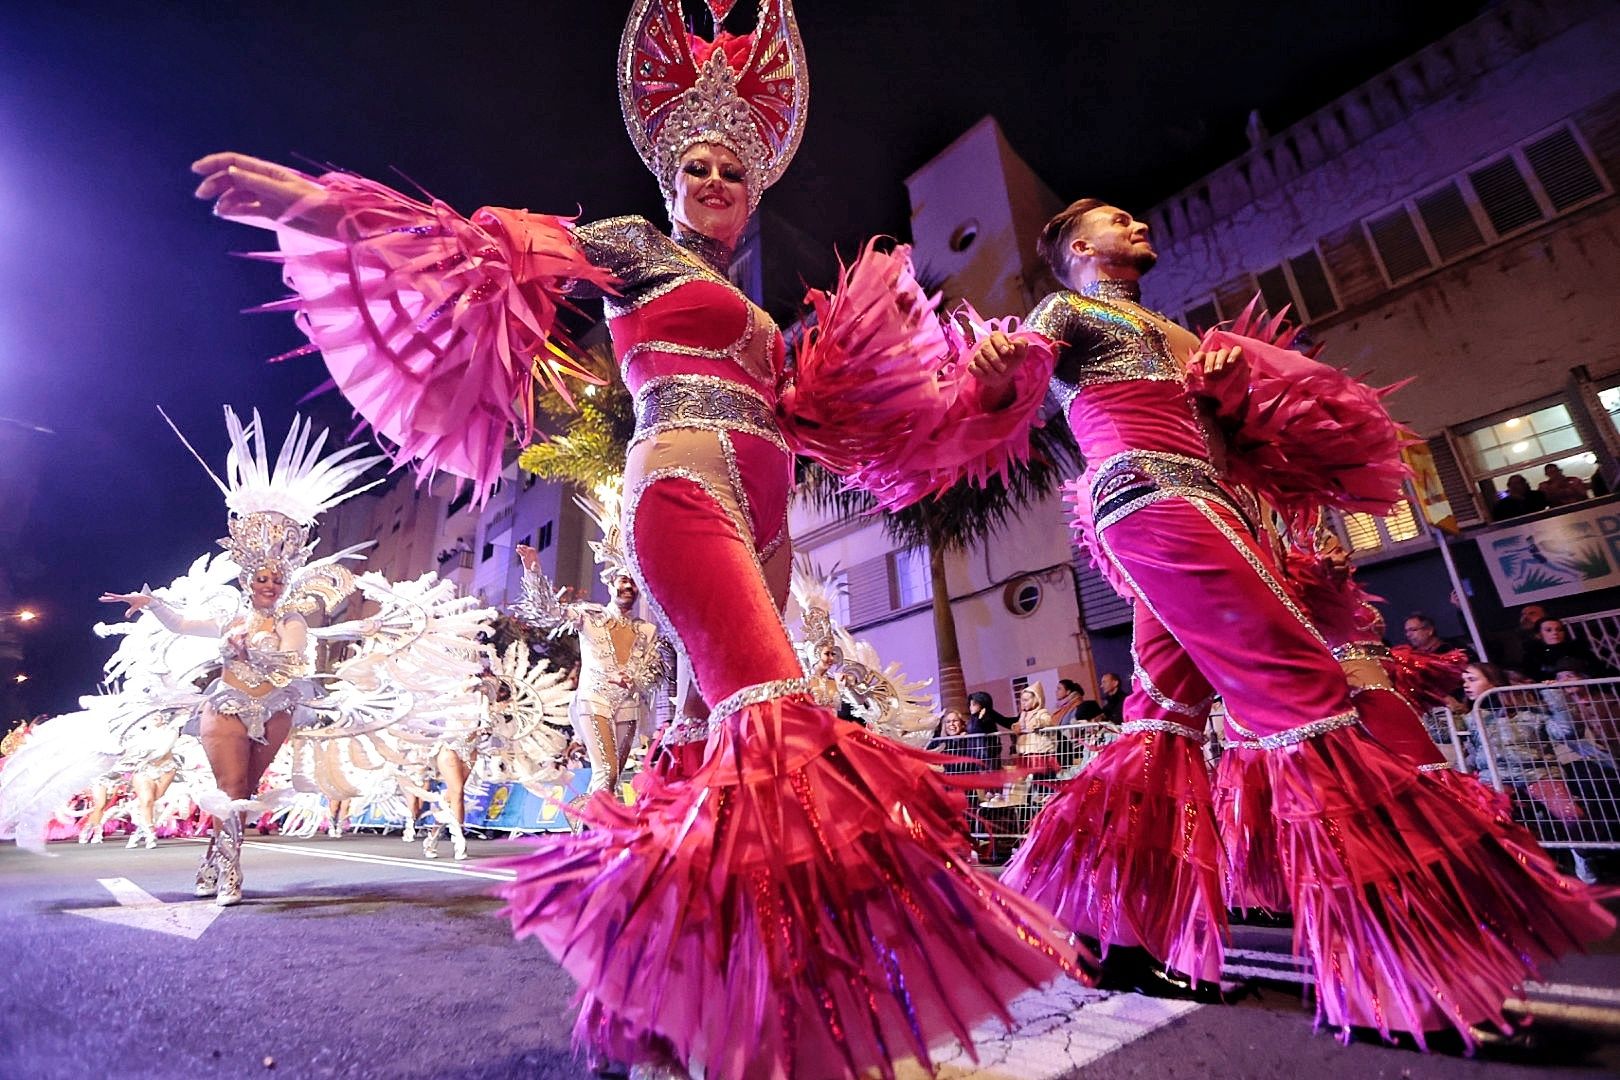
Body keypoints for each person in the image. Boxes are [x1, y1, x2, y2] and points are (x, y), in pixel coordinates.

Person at [190, 3, 1078, 1073]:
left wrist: (973, 386)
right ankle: (792, 1016)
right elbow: (486, 244)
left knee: (720, 751)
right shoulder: (634, 248)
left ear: (755, 194)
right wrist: (320, 209)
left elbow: (855, 422)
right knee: (778, 720)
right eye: (696, 166)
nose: (713, 183)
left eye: (731, 173)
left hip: (769, 520)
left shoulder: (757, 314)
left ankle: (678, 1000)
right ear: (668, 179)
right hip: (684, 493)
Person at [973, 197, 1613, 1045]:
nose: (1135, 225)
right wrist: (998, 360)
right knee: (1302, 697)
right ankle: (1405, 984)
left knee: (1160, 720)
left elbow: (1243, 446)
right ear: (1077, 248)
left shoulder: (1180, 336)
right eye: (1116, 220)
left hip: (1207, 508)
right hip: (1154, 502)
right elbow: (1016, 377)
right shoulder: (1069, 311)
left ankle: (1105, 931)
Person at [100, 409, 380, 906]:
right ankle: (232, 874)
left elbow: (294, 662)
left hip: (276, 710)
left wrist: (263, 651)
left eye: (276, 578)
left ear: (284, 581)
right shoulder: (228, 614)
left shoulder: (292, 618)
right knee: (230, 786)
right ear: (249, 579)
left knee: (245, 792)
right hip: (225, 706)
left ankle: (214, 858)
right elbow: (184, 624)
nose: (269, 585)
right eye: (261, 578)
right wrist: (153, 604)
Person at [514, 528, 664, 801]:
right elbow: (549, 612)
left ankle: (597, 831)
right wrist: (533, 572)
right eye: (623, 581)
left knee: (614, 777)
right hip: (594, 701)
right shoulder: (589, 617)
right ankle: (594, 836)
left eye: (633, 583)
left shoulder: (647, 630)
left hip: (628, 707)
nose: (628, 587)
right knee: (604, 771)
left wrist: (634, 679)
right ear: (610, 584)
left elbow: (655, 670)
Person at [1523, 616, 1608, 681]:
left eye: (1559, 629)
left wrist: (1582, 677)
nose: (1555, 633)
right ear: (1539, 634)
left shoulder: (1578, 649)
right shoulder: (1532, 655)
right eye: (1548, 630)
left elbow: (1598, 670)